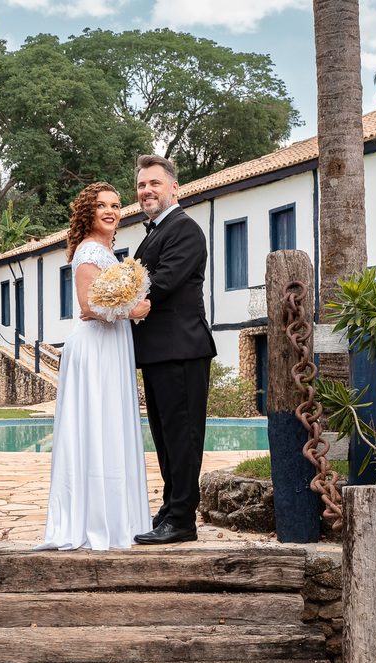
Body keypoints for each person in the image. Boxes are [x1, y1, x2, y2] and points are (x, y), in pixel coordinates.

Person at [37, 182, 152, 551]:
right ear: (88, 212)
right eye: (102, 206)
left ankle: (115, 515)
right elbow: (88, 307)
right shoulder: (89, 249)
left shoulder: (107, 249)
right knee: (97, 427)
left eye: (116, 206)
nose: (110, 211)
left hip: (112, 344)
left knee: (110, 426)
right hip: (95, 347)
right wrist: (133, 309)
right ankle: (95, 521)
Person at [130, 155, 216, 546]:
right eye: (141, 186)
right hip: (158, 351)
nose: (147, 191)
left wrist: (110, 300)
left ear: (174, 188)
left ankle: (183, 519)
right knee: (165, 438)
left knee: (183, 437)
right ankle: (171, 508)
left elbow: (161, 283)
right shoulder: (153, 233)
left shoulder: (184, 230)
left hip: (182, 349)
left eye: (154, 183)